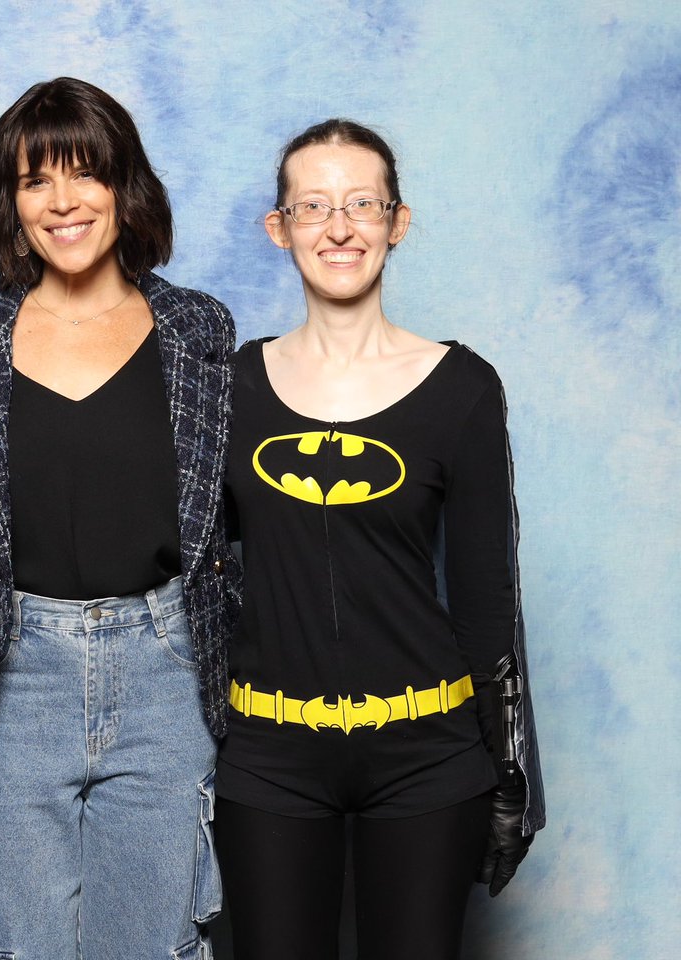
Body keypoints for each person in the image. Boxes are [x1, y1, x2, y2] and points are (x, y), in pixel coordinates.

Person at [215, 119, 546, 959]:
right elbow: (195, 581)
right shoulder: (229, 388)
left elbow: (486, 595)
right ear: (278, 227)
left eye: (362, 204)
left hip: (426, 755)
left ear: (396, 222)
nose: (338, 227)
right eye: (314, 206)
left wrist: (510, 770)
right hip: (269, 756)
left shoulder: (461, 387)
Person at [0, 77, 239, 960]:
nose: (63, 203)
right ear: (11, 202)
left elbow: (232, 520)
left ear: (123, 186)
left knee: (155, 942)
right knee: (10, 945)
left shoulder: (198, 330)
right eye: (35, 181)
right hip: (12, 669)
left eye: (83, 175)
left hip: (166, 671)